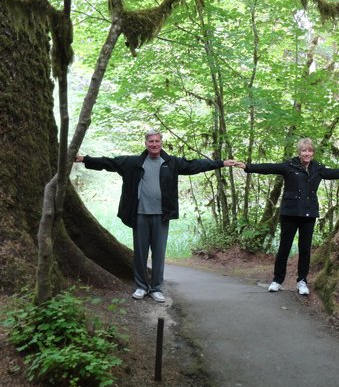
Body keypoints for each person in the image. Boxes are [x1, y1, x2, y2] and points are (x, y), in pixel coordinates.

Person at [75, 129, 238, 303]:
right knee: (140, 253)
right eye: (151, 141)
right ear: (146, 143)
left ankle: (156, 288)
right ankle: (141, 286)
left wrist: (220, 163)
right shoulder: (133, 162)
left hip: (162, 216)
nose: (154, 144)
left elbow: (194, 165)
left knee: (159, 253)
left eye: (157, 141)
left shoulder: (171, 162)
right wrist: (85, 159)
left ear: (161, 143)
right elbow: (109, 163)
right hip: (139, 214)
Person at [236, 138, 339, 296]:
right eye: (304, 150)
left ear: (313, 152)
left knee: (305, 249)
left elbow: (336, 172)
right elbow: (269, 167)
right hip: (289, 212)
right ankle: (277, 280)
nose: (307, 153)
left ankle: (302, 281)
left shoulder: (318, 168)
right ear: (299, 152)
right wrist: (247, 167)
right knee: (284, 247)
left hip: (308, 213)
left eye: (309, 150)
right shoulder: (289, 166)